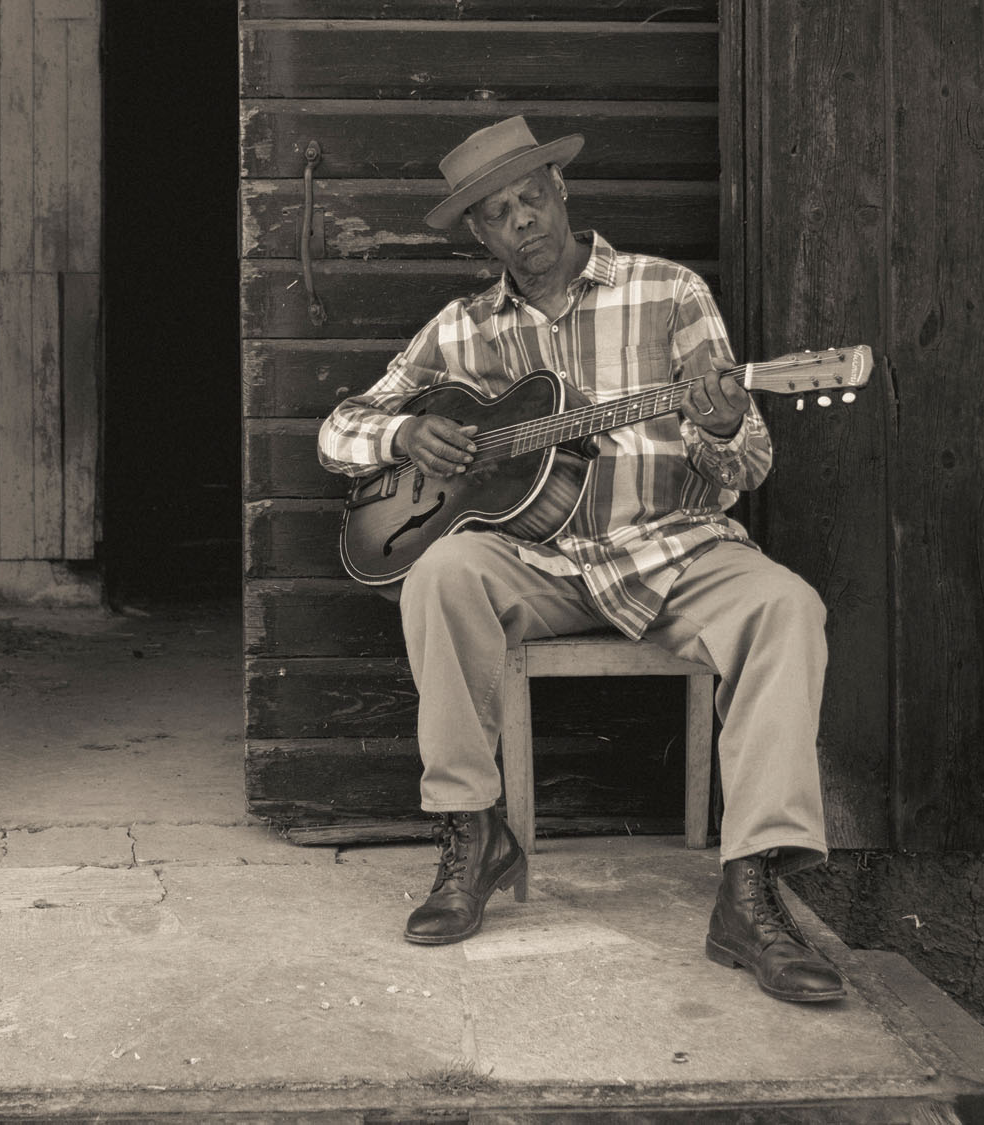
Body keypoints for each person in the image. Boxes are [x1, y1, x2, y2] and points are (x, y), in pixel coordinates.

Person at [316, 117, 843, 1004]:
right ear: (479, 234)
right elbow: (339, 431)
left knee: (788, 607)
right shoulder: (461, 329)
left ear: (562, 195)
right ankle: (473, 831)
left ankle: (752, 891)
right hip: (539, 562)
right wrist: (405, 430)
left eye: (532, 198)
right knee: (441, 572)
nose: (522, 221)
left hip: (673, 547)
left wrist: (720, 421)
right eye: (497, 213)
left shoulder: (668, 292)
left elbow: (747, 466)